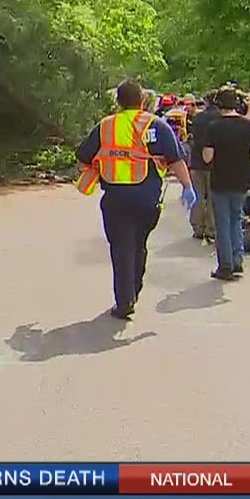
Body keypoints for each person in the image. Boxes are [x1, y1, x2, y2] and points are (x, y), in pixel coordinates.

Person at [76, 79, 197, 320]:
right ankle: (134, 289)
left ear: (118, 102)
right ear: (142, 100)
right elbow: (176, 160)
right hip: (147, 199)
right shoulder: (157, 126)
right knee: (138, 245)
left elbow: (82, 162)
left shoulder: (105, 127)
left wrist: (106, 165)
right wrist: (187, 186)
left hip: (116, 199)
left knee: (121, 249)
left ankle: (124, 301)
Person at [202, 87, 250, 280]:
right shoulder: (249, 126)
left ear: (219, 104)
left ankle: (226, 265)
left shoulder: (214, 127)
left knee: (222, 223)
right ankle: (238, 260)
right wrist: (247, 152)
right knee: (236, 219)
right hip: (242, 180)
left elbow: (207, 157)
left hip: (220, 179)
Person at [187, 91, 221, 242]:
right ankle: (211, 228)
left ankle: (197, 227)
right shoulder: (221, 119)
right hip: (215, 163)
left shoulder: (198, 118)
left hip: (196, 161)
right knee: (213, 197)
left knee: (198, 196)